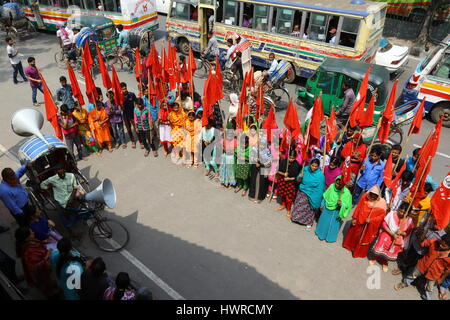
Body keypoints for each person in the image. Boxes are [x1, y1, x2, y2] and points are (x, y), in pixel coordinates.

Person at [395, 234, 450, 300]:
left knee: (430, 288)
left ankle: (427, 296)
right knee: (412, 275)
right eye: (441, 242)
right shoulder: (434, 241)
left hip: (434, 274)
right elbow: (423, 243)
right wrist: (422, 237)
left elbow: (448, 270)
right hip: (422, 265)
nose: (440, 245)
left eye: (444, 246)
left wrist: (441, 279)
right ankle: (405, 283)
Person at [343, 185, 387, 258]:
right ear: (369, 194)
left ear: (378, 196)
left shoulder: (381, 204)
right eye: (371, 195)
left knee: (362, 238)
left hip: (368, 225)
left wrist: (371, 220)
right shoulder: (364, 197)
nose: (372, 198)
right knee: (354, 235)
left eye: (375, 196)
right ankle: (350, 247)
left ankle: (357, 252)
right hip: (359, 221)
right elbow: (358, 208)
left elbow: (381, 217)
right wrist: (354, 218)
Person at [15, 227, 60, 299]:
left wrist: (44, 242)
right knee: (50, 290)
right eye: (31, 233)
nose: (33, 232)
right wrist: (47, 255)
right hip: (43, 276)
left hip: (45, 273)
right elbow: (37, 267)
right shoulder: (30, 252)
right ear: (26, 238)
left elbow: (39, 244)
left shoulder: (30, 242)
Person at [370, 202, 414, 272]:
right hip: (387, 234)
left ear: (408, 213)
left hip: (397, 239)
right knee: (381, 246)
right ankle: (375, 257)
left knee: (389, 251)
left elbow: (408, 233)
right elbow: (384, 224)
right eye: (400, 211)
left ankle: (384, 261)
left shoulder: (409, 221)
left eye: (404, 212)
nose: (401, 213)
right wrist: (392, 234)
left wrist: (402, 232)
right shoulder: (392, 214)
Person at [315, 175, 352, 243]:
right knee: (324, 222)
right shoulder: (332, 186)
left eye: (340, 184)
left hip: (336, 212)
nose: (337, 185)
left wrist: (341, 204)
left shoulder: (346, 193)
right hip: (326, 209)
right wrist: (322, 204)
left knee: (332, 225)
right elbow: (326, 196)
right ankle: (320, 234)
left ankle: (329, 238)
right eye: (337, 183)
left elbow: (348, 205)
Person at [291, 159, 326, 229]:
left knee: (309, 210)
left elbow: (320, 189)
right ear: (310, 164)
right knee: (299, 206)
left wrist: (316, 198)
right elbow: (298, 180)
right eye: (312, 165)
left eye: (316, 166)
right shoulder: (305, 169)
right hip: (302, 192)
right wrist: (300, 176)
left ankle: (308, 222)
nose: (313, 167)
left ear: (318, 166)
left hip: (312, 195)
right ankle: (296, 219)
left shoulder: (320, 176)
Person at [275, 149, 302, 215]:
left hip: (290, 183)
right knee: (282, 194)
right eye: (290, 157)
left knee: (288, 197)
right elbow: (277, 171)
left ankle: (289, 210)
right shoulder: (284, 161)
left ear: (295, 158)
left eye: (293, 158)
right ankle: (283, 205)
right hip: (282, 181)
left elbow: (296, 177)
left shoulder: (297, 165)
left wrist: (289, 178)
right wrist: (283, 174)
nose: (291, 159)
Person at [248, 136, 272, 203]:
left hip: (263, 168)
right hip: (254, 168)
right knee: (253, 181)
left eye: (263, 144)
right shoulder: (255, 149)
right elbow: (251, 157)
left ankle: (259, 197)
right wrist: (256, 160)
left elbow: (269, 162)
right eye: (260, 143)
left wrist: (261, 163)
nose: (261, 145)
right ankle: (252, 196)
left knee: (261, 183)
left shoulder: (267, 151)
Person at [121, 82, 140, 149]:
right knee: (129, 129)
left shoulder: (132, 94)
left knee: (136, 128)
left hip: (133, 115)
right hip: (125, 116)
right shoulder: (120, 97)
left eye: (125, 88)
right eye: (123, 89)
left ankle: (141, 141)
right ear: (121, 90)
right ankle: (133, 141)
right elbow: (120, 107)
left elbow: (137, 102)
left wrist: (137, 110)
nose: (124, 90)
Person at [143, 86, 160, 154]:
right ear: (144, 92)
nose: (147, 92)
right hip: (147, 118)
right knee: (150, 131)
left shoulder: (154, 98)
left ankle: (157, 138)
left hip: (155, 117)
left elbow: (157, 107)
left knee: (156, 129)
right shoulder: (143, 99)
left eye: (148, 91)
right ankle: (152, 143)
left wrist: (158, 116)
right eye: (145, 91)